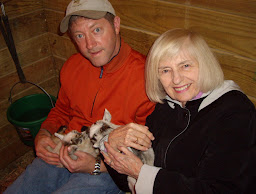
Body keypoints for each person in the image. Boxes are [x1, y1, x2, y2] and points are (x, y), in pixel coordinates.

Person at [4, 0, 155, 193]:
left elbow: (146, 153)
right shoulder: (72, 66)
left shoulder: (145, 77)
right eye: (80, 35)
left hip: (110, 166)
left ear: (116, 25)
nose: (89, 44)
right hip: (66, 146)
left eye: (97, 30)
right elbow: (61, 110)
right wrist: (43, 133)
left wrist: (96, 166)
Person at [102, 28, 256, 193]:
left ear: (205, 64)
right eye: (165, 70)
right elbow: (127, 179)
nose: (176, 79)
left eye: (185, 65)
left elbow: (221, 189)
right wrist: (111, 145)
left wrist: (142, 173)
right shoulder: (166, 107)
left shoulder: (235, 112)